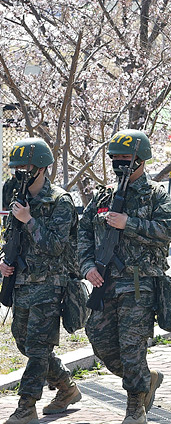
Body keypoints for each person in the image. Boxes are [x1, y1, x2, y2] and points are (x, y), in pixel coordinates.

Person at [79, 130, 171, 424]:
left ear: (141, 160)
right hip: (105, 283)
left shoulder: (156, 194)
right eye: (115, 159)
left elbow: (166, 232)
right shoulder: (103, 195)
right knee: (102, 343)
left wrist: (129, 223)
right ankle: (146, 379)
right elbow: (83, 232)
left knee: (132, 347)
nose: (121, 164)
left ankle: (135, 408)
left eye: (126, 159)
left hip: (139, 285)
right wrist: (87, 266)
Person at [1, 139, 80, 424]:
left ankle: (26, 406)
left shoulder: (61, 201)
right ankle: (67, 387)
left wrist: (30, 220)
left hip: (50, 284)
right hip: (22, 283)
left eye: (26, 167)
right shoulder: (14, 195)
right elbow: (9, 235)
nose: (20, 172)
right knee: (24, 341)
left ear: (42, 168)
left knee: (37, 347)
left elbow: (57, 246)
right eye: (17, 167)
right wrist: (3, 260)